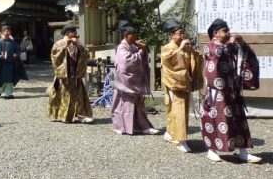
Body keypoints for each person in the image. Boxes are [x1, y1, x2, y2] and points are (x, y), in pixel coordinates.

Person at [201, 18, 261, 163]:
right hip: (218, 92)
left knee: (239, 120)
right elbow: (217, 54)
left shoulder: (230, 46)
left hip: (233, 90)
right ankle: (212, 150)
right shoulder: (210, 47)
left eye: (228, 30)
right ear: (216, 33)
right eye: (225, 30)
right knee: (216, 119)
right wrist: (231, 43)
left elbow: (245, 56)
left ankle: (243, 152)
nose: (228, 33)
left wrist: (243, 44)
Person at [160, 18, 203, 152]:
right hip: (174, 83)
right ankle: (181, 140)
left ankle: (170, 133)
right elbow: (168, 61)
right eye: (179, 33)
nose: (182, 36)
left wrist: (194, 53)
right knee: (179, 111)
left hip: (185, 83)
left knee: (179, 110)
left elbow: (194, 61)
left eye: (182, 33)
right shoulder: (167, 48)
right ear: (172, 35)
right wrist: (180, 49)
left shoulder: (184, 47)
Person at [111, 23, 159, 135]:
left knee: (139, 106)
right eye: (133, 35)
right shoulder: (122, 47)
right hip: (125, 83)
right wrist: (141, 52)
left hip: (134, 82)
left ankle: (143, 126)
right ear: (126, 35)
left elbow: (140, 58)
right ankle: (121, 126)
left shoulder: (133, 46)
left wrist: (142, 49)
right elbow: (126, 63)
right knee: (124, 105)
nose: (135, 38)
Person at [48, 24, 93, 123]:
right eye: (74, 32)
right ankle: (61, 115)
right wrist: (65, 46)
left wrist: (79, 45)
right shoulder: (59, 43)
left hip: (75, 74)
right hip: (64, 74)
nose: (76, 34)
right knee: (64, 94)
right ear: (68, 33)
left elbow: (86, 53)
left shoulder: (77, 42)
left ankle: (82, 115)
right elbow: (54, 56)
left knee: (80, 95)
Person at [0, 25, 27, 99]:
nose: (8, 32)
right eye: (6, 31)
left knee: (9, 79)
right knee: (1, 78)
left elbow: (18, 50)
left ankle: (9, 93)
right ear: (3, 32)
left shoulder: (13, 43)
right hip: (1, 64)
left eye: (9, 31)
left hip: (10, 64)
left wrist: (16, 54)